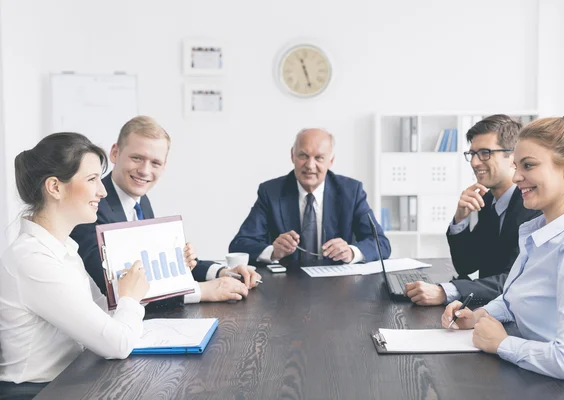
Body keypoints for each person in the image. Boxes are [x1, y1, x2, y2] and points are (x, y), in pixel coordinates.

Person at [442, 102, 564, 399]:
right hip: (539, 369)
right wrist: (479, 315)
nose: (516, 178)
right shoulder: (540, 230)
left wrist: (502, 344)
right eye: (516, 166)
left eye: (528, 166)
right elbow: (516, 297)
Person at [0, 133, 149, 394]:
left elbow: (104, 314)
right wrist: (130, 299)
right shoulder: (33, 260)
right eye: (92, 179)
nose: (102, 190)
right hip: (38, 392)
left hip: (70, 381)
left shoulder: (64, 248)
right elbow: (117, 343)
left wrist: (127, 298)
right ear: (55, 187)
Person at [71, 116, 261, 304]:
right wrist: (201, 291)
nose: (145, 171)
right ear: (114, 153)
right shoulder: (92, 206)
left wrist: (221, 272)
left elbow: (156, 271)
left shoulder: (141, 202)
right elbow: (113, 288)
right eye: (137, 158)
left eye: (155, 163)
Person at [404, 115, 540, 307]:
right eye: (472, 154)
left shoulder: (533, 205)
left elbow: (517, 278)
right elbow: (467, 265)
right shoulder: (487, 199)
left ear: (513, 156)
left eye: (485, 153)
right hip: (488, 311)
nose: (475, 162)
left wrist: (446, 291)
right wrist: (461, 219)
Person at [229, 128, 390, 266]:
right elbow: (239, 246)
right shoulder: (271, 192)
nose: (310, 165)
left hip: (338, 285)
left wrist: (351, 252)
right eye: (303, 156)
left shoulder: (351, 191)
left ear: (330, 160)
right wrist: (273, 252)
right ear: (292, 156)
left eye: (319, 157)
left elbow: (381, 244)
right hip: (287, 286)